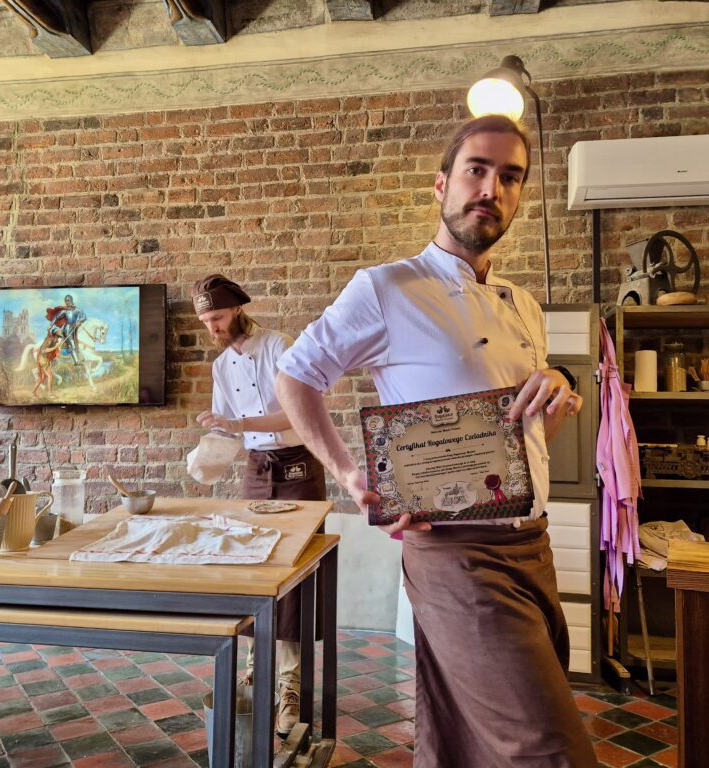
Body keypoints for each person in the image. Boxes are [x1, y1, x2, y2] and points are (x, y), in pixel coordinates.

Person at [275, 116, 596, 767]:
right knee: (546, 747)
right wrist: (348, 473)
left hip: (533, 545)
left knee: (464, 738)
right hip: (454, 552)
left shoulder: (524, 304)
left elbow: (526, 435)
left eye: (511, 177)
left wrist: (557, 390)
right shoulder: (387, 288)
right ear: (443, 184)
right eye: (477, 170)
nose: (492, 188)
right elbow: (296, 376)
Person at [192, 274, 327, 737]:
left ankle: (290, 686)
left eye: (217, 318)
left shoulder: (278, 346)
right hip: (257, 467)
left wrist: (237, 421)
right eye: (206, 321)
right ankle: (258, 668)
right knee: (254, 566)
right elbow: (226, 431)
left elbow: (296, 413)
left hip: (297, 467)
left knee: (291, 574)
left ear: (237, 311)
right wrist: (205, 456)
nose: (212, 328)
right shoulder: (221, 367)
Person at [46, 294, 86, 365]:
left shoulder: (77, 310)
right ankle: (76, 362)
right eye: (66, 301)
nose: (67, 302)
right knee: (72, 345)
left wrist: (79, 321)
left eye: (68, 300)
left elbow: (84, 317)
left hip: (75, 328)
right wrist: (50, 325)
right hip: (67, 329)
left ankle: (81, 358)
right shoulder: (65, 311)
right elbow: (56, 317)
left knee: (79, 342)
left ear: (71, 300)